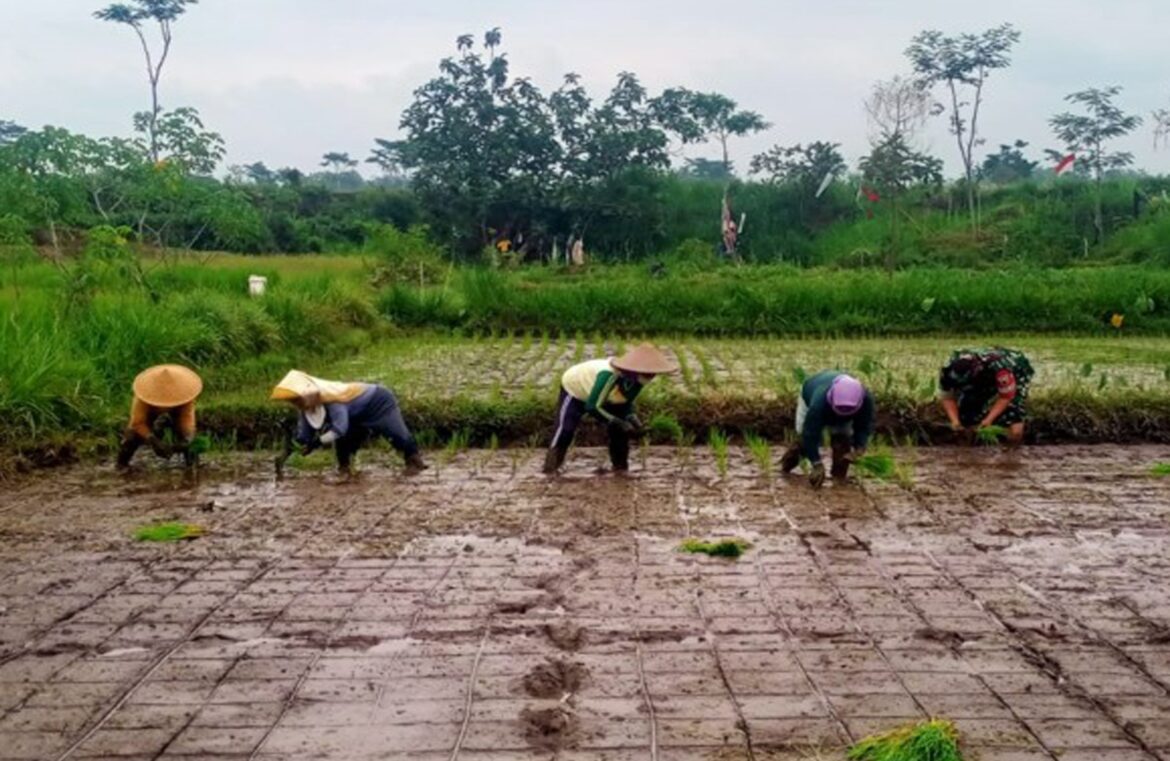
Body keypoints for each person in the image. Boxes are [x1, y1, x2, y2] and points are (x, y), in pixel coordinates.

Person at [543, 344, 678, 474]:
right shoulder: (608, 375)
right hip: (576, 388)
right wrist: (617, 421)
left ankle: (620, 469)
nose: (650, 377)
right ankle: (551, 468)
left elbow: (625, 403)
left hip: (604, 395)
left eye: (652, 375)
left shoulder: (637, 380)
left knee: (620, 432)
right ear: (636, 370)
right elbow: (592, 407)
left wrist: (635, 422)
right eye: (648, 375)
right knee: (565, 429)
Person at [271, 371, 428, 475]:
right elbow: (304, 436)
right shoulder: (306, 408)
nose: (297, 404)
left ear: (308, 394)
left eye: (298, 400)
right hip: (354, 415)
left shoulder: (333, 400)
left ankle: (414, 462)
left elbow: (339, 428)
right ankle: (345, 470)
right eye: (293, 402)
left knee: (396, 434)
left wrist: (317, 443)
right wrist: (289, 452)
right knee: (344, 443)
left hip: (378, 402)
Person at [780, 372, 875, 488]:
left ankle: (839, 477)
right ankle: (786, 466)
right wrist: (816, 463)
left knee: (842, 442)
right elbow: (809, 434)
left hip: (841, 407)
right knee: (804, 444)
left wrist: (860, 447)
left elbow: (863, 426)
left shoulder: (866, 400)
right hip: (810, 397)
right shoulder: (818, 404)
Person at [939, 348, 1034, 445]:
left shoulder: (1001, 370)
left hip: (1016, 369)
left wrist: (988, 420)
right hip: (982, 376)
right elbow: (948, 398)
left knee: (1013, 411)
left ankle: (1012, 444)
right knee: (967, 410)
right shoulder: (947, 370)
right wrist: (955, 422)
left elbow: (1006, 397)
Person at [117, 364, 203, 469]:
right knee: (132, 436)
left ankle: (192, 466)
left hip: (177, 413)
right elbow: (138, 422)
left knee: (190, 442)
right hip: (150, 414)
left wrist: (186, 439)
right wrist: (153, 440)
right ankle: (121, 465)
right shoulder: (143, 399)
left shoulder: (185, 397)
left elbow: (186, 419)